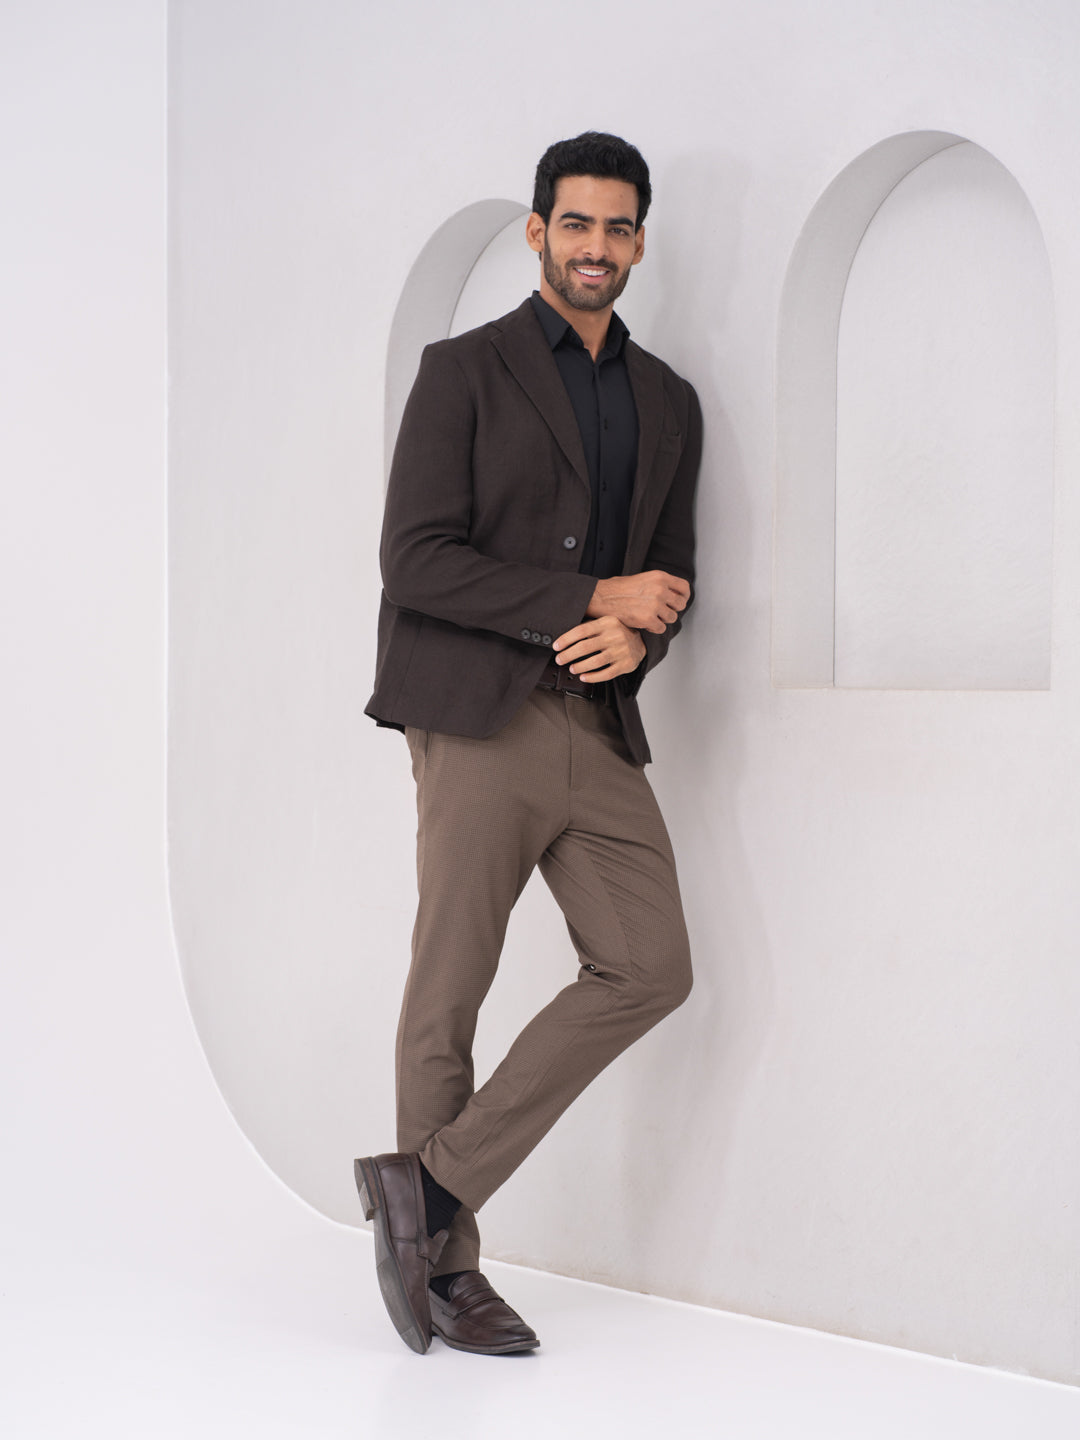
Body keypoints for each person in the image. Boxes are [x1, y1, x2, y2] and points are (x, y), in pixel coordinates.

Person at [355, 131, 702, 1355]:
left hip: (594, 726)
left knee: (650, 967)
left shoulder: (668, 401)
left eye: (618, 227)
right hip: (477, 717)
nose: (596, 246)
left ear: (640, 242)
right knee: (450, 987)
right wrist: (585, 598)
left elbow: (670, 580)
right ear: (538, 232)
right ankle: (448, 1274)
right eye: (577, 224)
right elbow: (414, 561)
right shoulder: (463, 371)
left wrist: (637, 637)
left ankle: (428, 1189)